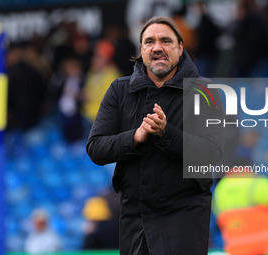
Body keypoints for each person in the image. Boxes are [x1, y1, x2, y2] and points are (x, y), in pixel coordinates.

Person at [87, 16, 225, 255]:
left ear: (180, 48)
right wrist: (134, 137)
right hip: (134, 221)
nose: (157, 47)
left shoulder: (205, 91)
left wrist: (166, 133)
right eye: (149, 41)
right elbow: (96, 148)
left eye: (166, 41)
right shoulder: (119, 90)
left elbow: (211, 153)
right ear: (141, 49)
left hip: (185, 220)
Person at [212, 172, 268, 255]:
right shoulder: (256, 182)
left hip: (235, 248)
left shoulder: (220, 188)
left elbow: (217, 215)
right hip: (265, 247)